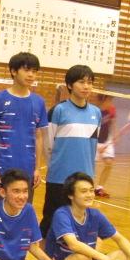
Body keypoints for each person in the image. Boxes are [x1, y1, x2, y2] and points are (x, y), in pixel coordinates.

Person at [44, 172, 130, 260]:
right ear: (71, 195)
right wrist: (103, 258)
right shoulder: (61, 214)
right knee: (80, 257)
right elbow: (73, 245)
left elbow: (119, 238)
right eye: (84, 191)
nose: (90, 195)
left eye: (91, 190)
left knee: (123, 253)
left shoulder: (95, 215)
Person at [39, 65, 100, 237]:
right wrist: (56, 167)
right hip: (59, 178)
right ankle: (42, 255)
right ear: (70, 85)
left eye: (90, 82)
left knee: (78, 223)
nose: (86, 86)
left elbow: (92, 146)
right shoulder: (58, 110)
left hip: (84, 179)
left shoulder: (96, 113)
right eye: (81, 82)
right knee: (50, 221)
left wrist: (91, 175)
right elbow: (48, 145)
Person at [0, 52, 48, 198]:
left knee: (23, 209)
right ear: (14, 71)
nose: (31, 75)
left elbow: (39, 136)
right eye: (26, 70)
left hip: (28, 171)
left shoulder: (39, 102)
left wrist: (37, 168)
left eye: (34, 71)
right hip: (1, 170)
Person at [94, 93, 116, 198]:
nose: (111, 103)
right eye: (109, 100)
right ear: (103, 100)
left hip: (106, 140)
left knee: (109, 163)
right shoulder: (95, 112)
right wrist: (98, 146)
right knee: (90, 167)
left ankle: (99, 188)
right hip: (94, 141)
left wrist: (114, 136)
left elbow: (113, 123)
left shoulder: (111, 110)